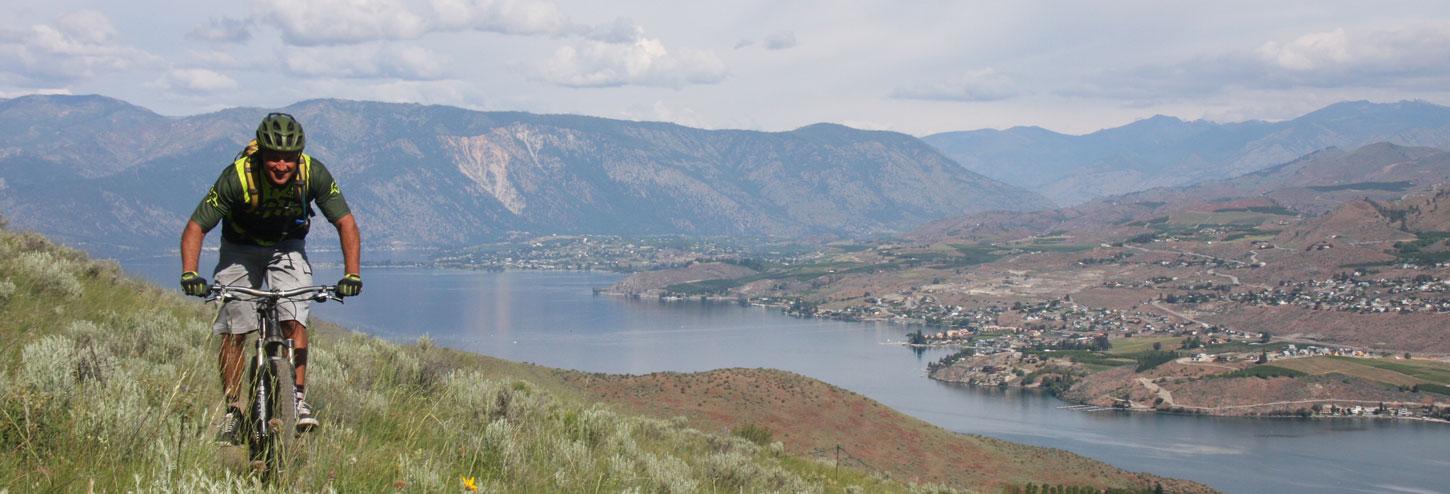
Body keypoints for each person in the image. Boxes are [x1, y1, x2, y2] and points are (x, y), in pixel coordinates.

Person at [178, 112, 362, 444]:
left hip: (287, 246)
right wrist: (190, 272)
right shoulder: (236, 177)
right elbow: (196, 227)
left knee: (295, 315)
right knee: (235, 324)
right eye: (273, 157)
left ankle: (297, 401)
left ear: (298, 157)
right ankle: (234, 410)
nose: (281, 165)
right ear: (261, 154)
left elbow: (346, 223)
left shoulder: (313, 173)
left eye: (288, 158)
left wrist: (352, 274)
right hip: (240, 248)